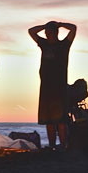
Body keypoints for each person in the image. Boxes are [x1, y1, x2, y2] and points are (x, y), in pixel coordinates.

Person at [29, 21, 76, 149]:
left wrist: (59, 24)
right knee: (48, 120)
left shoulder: (64, 45)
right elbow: (31, 31)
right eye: (46, 33)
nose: (47, 35)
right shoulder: (44, 44)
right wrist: (44, 26)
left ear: (56, 33)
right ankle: (51, 146)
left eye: (50, 32)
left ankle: (63, 145)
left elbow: (73, 28)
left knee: (61, 120)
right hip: (46, 88)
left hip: (59, 88)